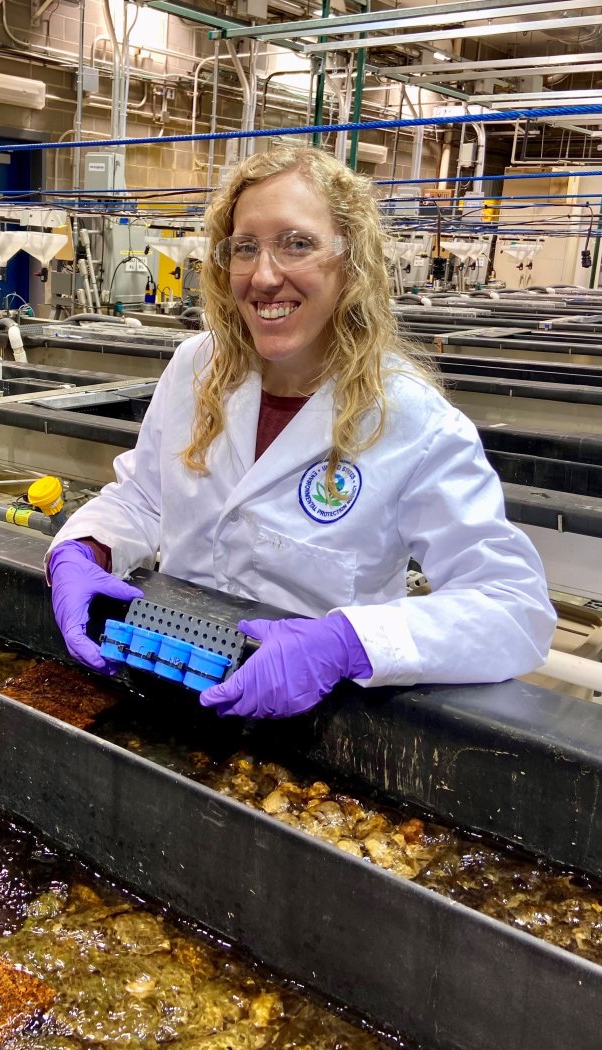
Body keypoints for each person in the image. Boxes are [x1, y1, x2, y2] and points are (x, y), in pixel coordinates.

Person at [47, 144, 556, 720]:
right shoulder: (197, 367)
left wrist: (346, 644)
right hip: (169, 677)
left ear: (351, 262)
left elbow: (514, 608)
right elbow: (144, 497)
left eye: (297, 244)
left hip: (315, 721)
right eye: (245, 248)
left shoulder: (413, 421)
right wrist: (86, 549)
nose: (264, 277)